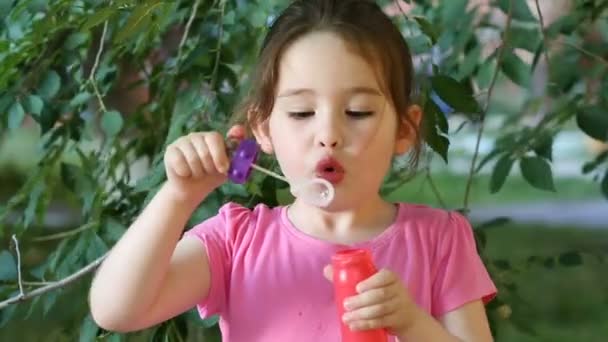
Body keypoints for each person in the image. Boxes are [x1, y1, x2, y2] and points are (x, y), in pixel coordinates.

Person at [88, 0, 497, 341]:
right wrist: (178, 197)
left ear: (404, 130)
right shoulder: (236, 244)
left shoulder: (440, 241)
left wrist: (413, 324)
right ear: (263, 129)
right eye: (301, 112)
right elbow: (115, 310)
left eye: (358, 111)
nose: (328, 135)